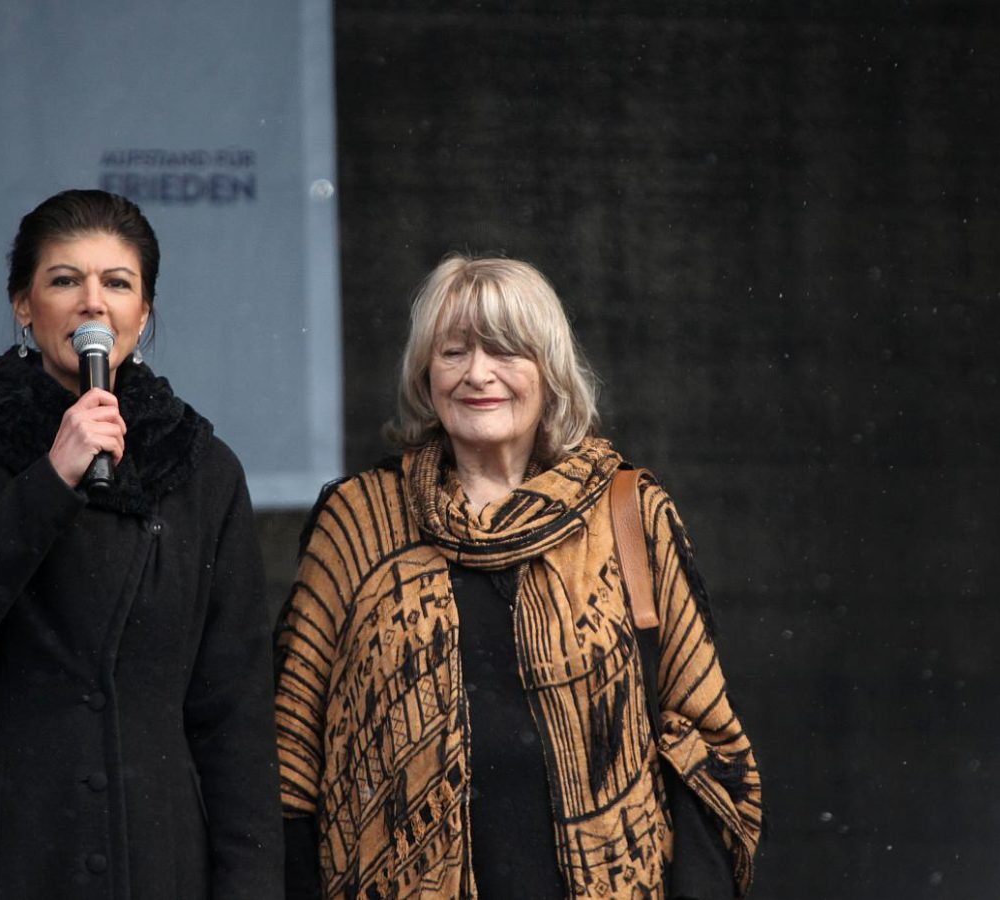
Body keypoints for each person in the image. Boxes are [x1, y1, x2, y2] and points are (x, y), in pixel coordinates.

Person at [274, 255, 762, 899]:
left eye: (506, 351)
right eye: (454, 352)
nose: (478, 374)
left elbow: (702, 738)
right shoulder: (360, 521)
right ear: (426, 373)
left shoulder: (629, 513)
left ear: (549, 372)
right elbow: (292, 752)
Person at [0, 189, 284, 899]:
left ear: (143, 313)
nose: (93, 303)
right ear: (23, 306)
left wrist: (248, 884)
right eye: (65, 280)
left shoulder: (200, 469)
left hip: (155, 852)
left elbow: (235, 711)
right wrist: (50, 479)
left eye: (117, 284)